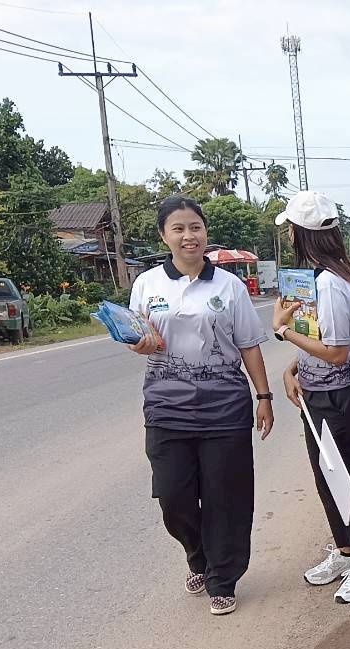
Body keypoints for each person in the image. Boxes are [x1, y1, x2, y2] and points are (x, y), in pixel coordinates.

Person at [127, 196, 274, 617]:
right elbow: (136, 337)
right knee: (173, 496)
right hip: (165, 406)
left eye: (195, 227)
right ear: (164, 236)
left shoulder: (228, 286)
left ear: (205, 232)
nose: (189, 236)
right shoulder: (147, 284)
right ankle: (198, 555)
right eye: (179, 228)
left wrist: (264, 397)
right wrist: (139, 345)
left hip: (224, 407)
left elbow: (249, 344)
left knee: (226, 496)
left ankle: (222, 578)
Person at [273, 190, 350, 604]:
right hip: (319, 395)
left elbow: (337, 354)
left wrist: (283, 330)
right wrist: (292, 369)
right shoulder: (320, 278)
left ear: (299, 233)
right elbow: (320, 345)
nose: (288, 234)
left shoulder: (332, 285)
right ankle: (345, 550)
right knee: (328, 478)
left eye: (290, 228)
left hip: (345, 397)